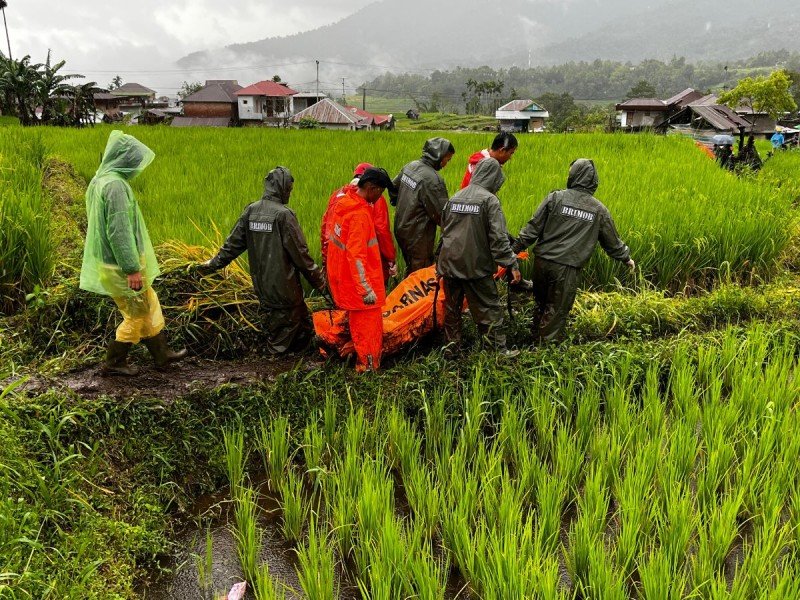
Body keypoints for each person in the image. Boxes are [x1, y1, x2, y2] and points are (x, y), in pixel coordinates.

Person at [80, 130, 187, 376]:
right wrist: (131, 268)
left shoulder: (101, 179)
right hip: (120, 266)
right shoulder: (115, 185)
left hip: (110, 262)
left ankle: (161, 354)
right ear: (124, 159)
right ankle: (114, 361)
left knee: (147, 304)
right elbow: (119, 231)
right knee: (136, 314)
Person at [199, 166, 325, 355]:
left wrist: (211, 265)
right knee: (282, 337)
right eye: (289, 190)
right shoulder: (284, 215)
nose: (289, 194)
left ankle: (294, 358)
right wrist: (323, 284)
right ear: (281, 188)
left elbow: (232, 245)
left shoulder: (251, 211)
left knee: (301, 326)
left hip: (262, 287)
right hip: (285, 288)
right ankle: (272, 371)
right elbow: (302, 257)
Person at [512, 159, 635, 343]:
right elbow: (612, 242)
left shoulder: (555, 198)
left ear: (574, 176)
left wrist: (513, 250)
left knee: (541, 303)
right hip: (566, 268)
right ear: (593, 181)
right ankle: (543, 352)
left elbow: (532, 228)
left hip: (542, 263)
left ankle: (533, 340)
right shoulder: (598, 209)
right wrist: (626, 258)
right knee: (556, 310)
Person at [438, 158, 521, 357]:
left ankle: (451, 350)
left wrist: (438, 264)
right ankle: (496, 352)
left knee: (452, 310)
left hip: (449, 264)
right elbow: (499, 240)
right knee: (489, 309)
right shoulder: (489, 201)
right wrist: (512, 263)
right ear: (494, 178)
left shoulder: (456, 197)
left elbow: (444, 233)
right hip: (475, 267)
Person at [327, 168, 395, 372]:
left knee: (355, 323)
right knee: (368, 329)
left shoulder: (343, 204)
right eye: (381, 192)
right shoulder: (359, 215)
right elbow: (357, 256)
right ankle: (367, 368)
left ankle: (342, 347)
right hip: (359, 286)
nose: (380, 197)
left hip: (343, 280)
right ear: (371, 188)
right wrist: (366, 289)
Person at [321, 163, 397, 285]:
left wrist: (325, 260)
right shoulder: (372, 200)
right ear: (371, 185)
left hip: (337, 263)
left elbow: (326, 229)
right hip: (364, 268)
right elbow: (382, 230)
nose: (380, 194)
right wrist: (391, 259)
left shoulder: (338, 195)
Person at [390, 137, 455, 276]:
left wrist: (401, 204)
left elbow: (393, 187)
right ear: (438, 156)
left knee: (410, 267)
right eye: (447, 160)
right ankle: (410, 296)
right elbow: (443, 215)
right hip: (418, 237)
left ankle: (404, 291)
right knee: (419, 275)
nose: (446, 164)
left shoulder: (411, 166)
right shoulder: (433, 180)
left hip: (401, 228)